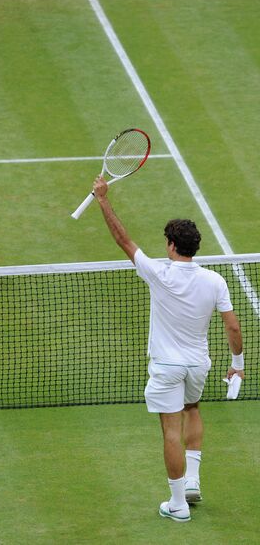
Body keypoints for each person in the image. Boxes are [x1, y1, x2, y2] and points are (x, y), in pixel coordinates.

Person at [93, 175, 244, 523]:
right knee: (192, 408)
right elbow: (233, 325)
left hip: (166, 367)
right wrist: (237, 363)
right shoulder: (215, 280)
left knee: (170, 430)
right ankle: (192, 480)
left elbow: (123, 239)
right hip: (198, 366)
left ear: (172, 245)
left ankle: (178, 504)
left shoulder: (159, 273)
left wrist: (103, 200)